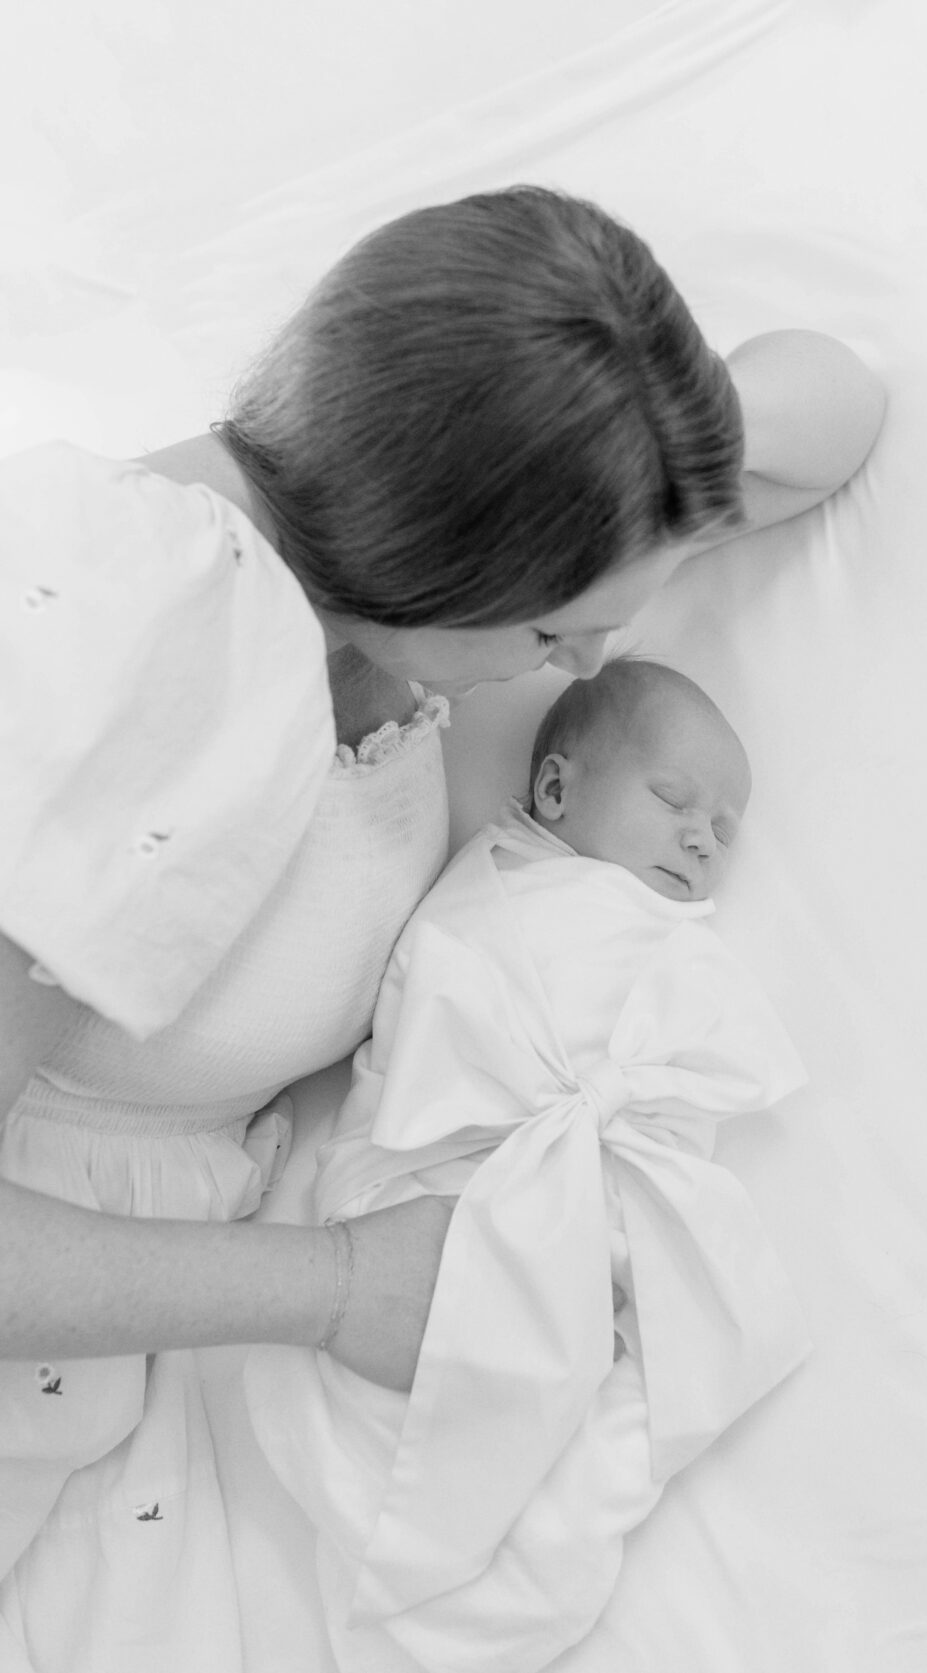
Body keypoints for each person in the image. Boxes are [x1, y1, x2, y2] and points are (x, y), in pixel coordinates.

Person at [0, 185, 884, 1668]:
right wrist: (340, 1291)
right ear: (438, 540)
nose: (590, 662)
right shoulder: (133, 657)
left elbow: (839, 407)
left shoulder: (374, 570)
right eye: (553, 633)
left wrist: (630, 431)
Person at [245, 659, 812, 1673]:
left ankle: (498, 1583)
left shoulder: (668, 941)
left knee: (626, 1384)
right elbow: (433, 1012)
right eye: (675, 800)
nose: (701, 835)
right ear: (554, 790)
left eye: (725, 828)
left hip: (573, 1191)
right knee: (421, 1370)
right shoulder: (488, 891)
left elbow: (683, 1092)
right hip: (436, 1180)